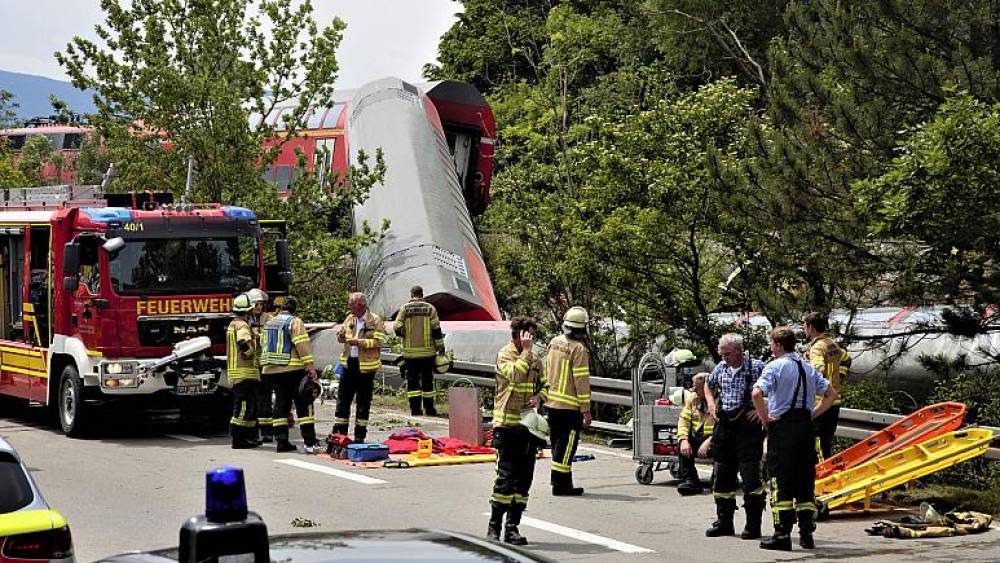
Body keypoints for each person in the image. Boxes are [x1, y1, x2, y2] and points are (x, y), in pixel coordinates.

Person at [752, 326, 839, 551]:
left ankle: (782, 534)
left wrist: (765, 419)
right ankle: (807, 534)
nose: (771, 348)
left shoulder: (775, 366)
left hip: (782, 429)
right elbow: (831, 395)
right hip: (805, 429)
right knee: (804, 482)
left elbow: (756, 393)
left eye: (772, 344)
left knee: (781, 481)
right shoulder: (807, 367)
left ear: (779, 345)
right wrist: (813, 414)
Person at [487, 316, 547, 545]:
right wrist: (526, 352)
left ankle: (512, 527)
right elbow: (514, 375)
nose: (531, 340)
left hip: (528, 428)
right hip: (506, 426)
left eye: (532, 336)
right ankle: (494, 527)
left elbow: (547, 384)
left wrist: (540, 397)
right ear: (517, 336)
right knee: (505, 479)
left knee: (523, 481)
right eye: (527, 335)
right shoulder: (506, 355)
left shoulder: (535, 358)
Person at [704, 333, 766, 540]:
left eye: (728, 354)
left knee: (750, 477)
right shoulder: (720, 368)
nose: (724, 358)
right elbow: (707, 385)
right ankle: (724, 522)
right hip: (725, 425)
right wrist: (711, 404)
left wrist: (761, 411)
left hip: (748, 428)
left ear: (740, 351)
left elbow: (775, 389)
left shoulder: (756, 367)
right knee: (722, 474)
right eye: (722, 354)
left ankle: (753, 525)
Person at [260, 296, 320, 453]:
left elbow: (263, 344)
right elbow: (302, 345)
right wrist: (310, 367)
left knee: (281, 405)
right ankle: (310, 442)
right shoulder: (295, 322)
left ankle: (281, 441)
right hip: (292, 369)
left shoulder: (269, 322)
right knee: (303, 404)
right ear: (295, 309)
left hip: (271, 370)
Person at [544, 306, 592, 496]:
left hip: (551, 404)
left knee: (558, 444)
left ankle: (558, 482)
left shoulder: (554, 342)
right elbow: (581, 381)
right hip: (570, 407)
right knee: (567, 446)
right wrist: (586, 410)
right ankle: (562, 485)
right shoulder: (578, 349)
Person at [334, 292, 385, 443]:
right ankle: (340, 434)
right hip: (349, 364)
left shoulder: (375, 320)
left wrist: (360, 342)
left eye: (351, 304)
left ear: (361, 305)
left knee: (363, 403)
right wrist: (341, 336)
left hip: (366, 368)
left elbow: (379, 342)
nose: (348, 306)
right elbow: (341, 336)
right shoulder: (350, 318)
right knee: (343, 400)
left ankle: (359, 436)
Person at [803, 312, 852, 459]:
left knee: (816, 445)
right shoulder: (832, 344)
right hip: (834, 401)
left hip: (820, 403)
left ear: (811, 327)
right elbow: (847, 359)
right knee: (826, 443)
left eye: (805, 326)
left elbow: (818, 370)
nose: (805, 330)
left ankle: (820, 477)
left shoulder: (817, 348)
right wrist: (840, 377)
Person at [393, 285, 445, 416]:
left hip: (411, 354)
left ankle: (415, 410)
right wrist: (440, 348)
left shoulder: (405, 309)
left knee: (412, 382)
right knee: (428, 382)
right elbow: (436, 330)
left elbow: (397, 327)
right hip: (428, 353)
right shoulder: (430, 309)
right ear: (422, 295)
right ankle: (430, 409)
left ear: (411, 295)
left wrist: (406, 333)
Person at [226, 293, 261, 449]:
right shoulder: (242, 325)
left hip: (239, 373)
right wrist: (250, 352)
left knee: (248, 406)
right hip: (243, 373)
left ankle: (249, 437)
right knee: (243, 407)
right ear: (248, 311)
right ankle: (239, 439)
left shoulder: (233, 324)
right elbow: (242, 342)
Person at [676, 372, 714, 496]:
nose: (693, 390)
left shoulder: (721, 399)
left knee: (724, 447)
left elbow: (725, 426)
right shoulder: (693, 398)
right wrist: (683, 439)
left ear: (706, 387)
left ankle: (719, 479)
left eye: (696, 387)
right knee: (683, 446)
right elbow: (684, 419)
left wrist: (709, 441)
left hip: (716, 440)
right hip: (699, 438)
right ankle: (691, 481)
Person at [247, 288, 274, 443]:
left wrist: (258, 336)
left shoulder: (268, 319)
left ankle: (267, 432)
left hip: (264, 366)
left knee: (265, 399)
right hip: (250, 366)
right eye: (256, 304)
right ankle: (253, 432)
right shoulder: (244, 320)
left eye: (261, 304)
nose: (259, 307)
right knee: (251, 399)